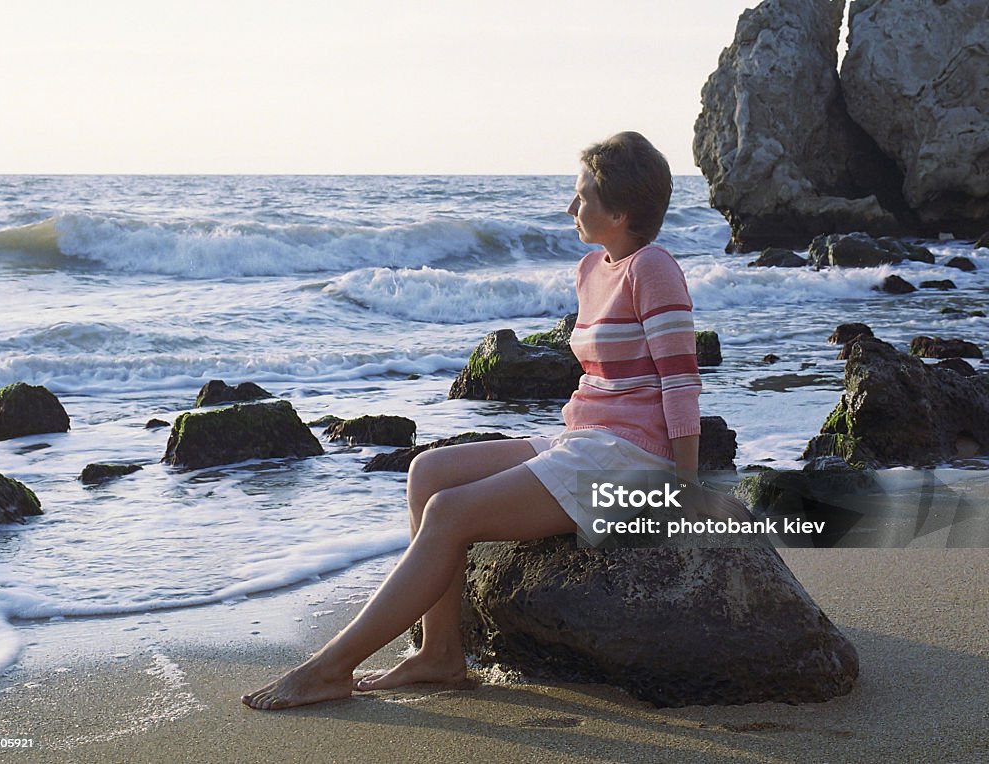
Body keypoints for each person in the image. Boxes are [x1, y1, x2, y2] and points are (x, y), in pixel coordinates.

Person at [242, 131, 747, 710]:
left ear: (622, 210)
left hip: (631, 460)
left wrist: (680, 486)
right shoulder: (592, 268)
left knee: (449, 512)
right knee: (429, 473)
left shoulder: (653, 267)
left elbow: (681, 381)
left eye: (582, 196)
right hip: (583, 440)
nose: (570, 207)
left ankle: (329, 668)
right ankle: (440, 655)